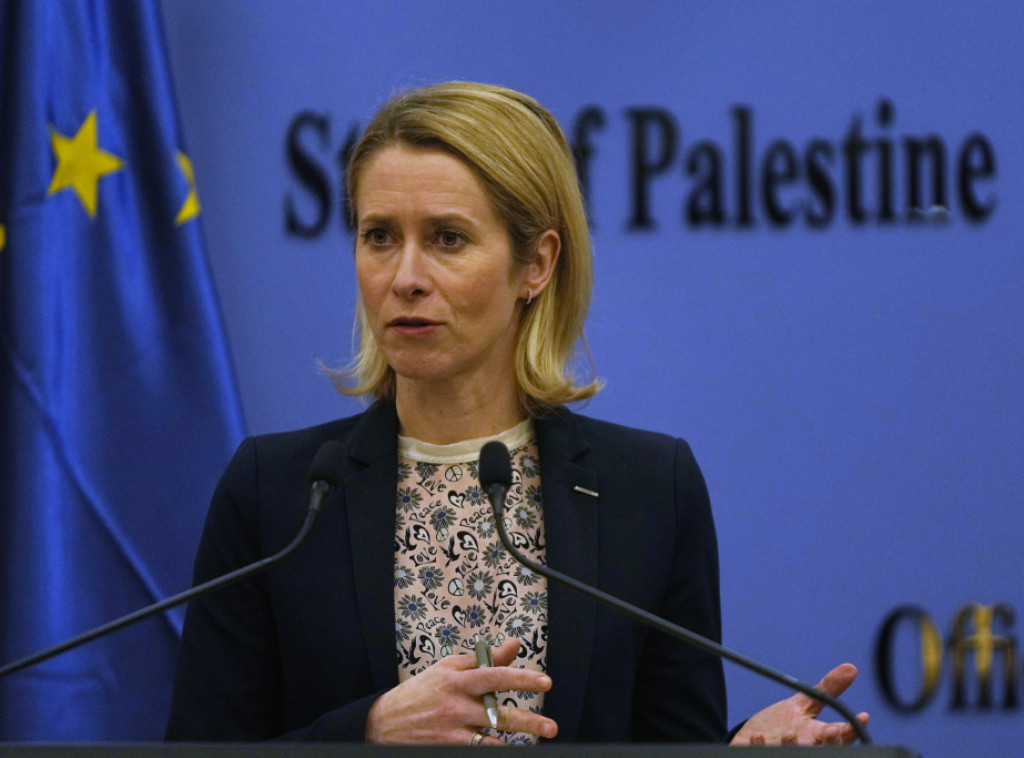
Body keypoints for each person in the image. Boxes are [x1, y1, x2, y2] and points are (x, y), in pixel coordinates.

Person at [166, 81, 868, 745]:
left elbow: (671, 747)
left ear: (536, 264)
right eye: (379, 236)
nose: (405, 277)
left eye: (447, 238)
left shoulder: (651, 489)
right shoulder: (278, 492)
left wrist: (743, 750)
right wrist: (367, 732)